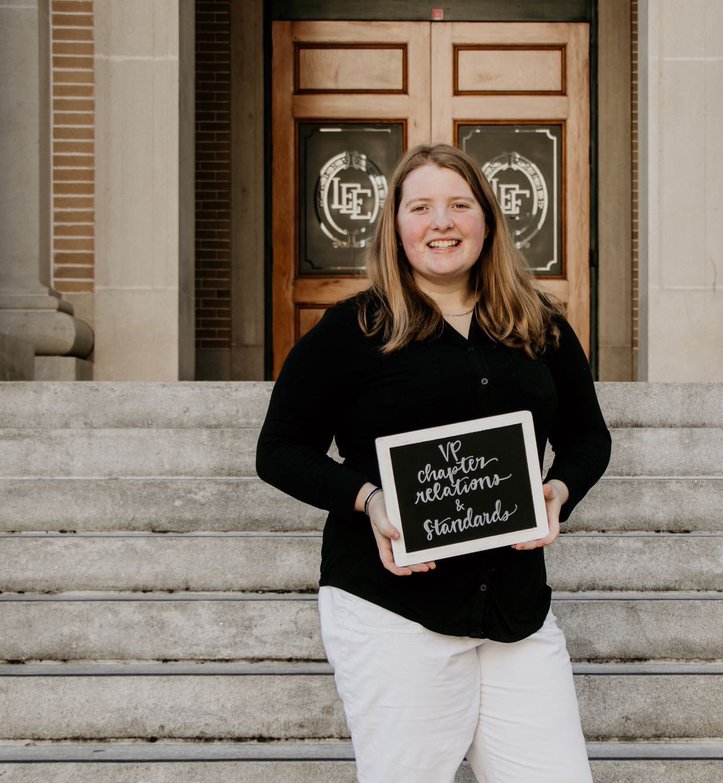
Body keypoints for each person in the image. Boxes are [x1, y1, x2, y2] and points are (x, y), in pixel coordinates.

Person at [256, 143, 610, 782]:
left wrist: (558, 490)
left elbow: (589, 436)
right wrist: (371, 500)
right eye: (420, 207)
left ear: (487, 221)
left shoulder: (539, 324)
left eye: (458, 205)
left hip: (514, 607)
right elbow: (279, 450)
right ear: (395, 225)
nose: (440, 222)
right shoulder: (352, 329)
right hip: (392, 605)